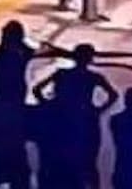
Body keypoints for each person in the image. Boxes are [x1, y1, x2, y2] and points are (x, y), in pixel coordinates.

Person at [33, 43, 118, 189]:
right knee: (88, 162)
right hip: (83, 121)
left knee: (66, 159)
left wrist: (49, 105)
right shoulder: (92, 77)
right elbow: (113, 95)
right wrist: (98, 110)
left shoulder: (63, 74)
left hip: (65, 121)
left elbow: (37, 90)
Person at [0, 22, 35, 189]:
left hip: (0, 109)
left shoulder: (3, 56)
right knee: (15, 149)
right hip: (13, 108)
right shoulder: (20, 53)